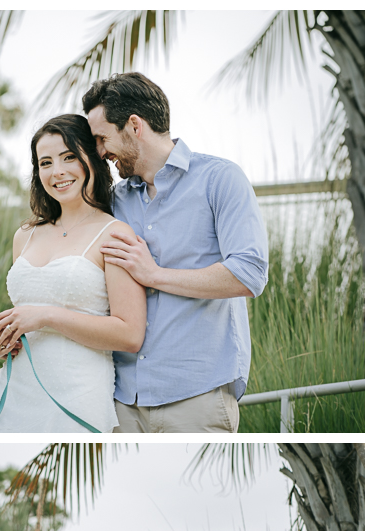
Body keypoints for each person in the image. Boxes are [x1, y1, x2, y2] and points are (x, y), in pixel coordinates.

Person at [83, 72, 270, 433]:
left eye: (102, 138)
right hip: (124, 404)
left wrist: (154, 275)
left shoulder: (220, 179)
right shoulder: (116, 201)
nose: (100, 152)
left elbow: (249, 274)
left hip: (197, 400)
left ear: (134, 125)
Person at [0, 114, 146, 433]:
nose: (57, 172)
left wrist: (47, 317)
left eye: (68, 157)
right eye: (45, 162)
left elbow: (129, 334)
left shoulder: (115, 233)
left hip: (77, 393)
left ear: (91, 159)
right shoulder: (25, 234)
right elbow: (21, 319)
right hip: (15, 389)